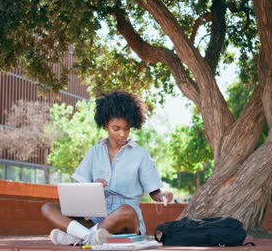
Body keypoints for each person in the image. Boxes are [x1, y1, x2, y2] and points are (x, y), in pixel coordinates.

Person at [41, 90, 173, 246]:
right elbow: (79, 188)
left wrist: (162, 195)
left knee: (126, 210)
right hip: (96, 219)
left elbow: (154, 191)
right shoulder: (94, 152)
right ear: (105, 125)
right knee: (48, 207)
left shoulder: (140, 155)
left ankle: (78, 237)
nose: (122, 134)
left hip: (126, 222)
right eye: (116, 129)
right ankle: (89, 237)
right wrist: (93, 186)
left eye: (127, 128)